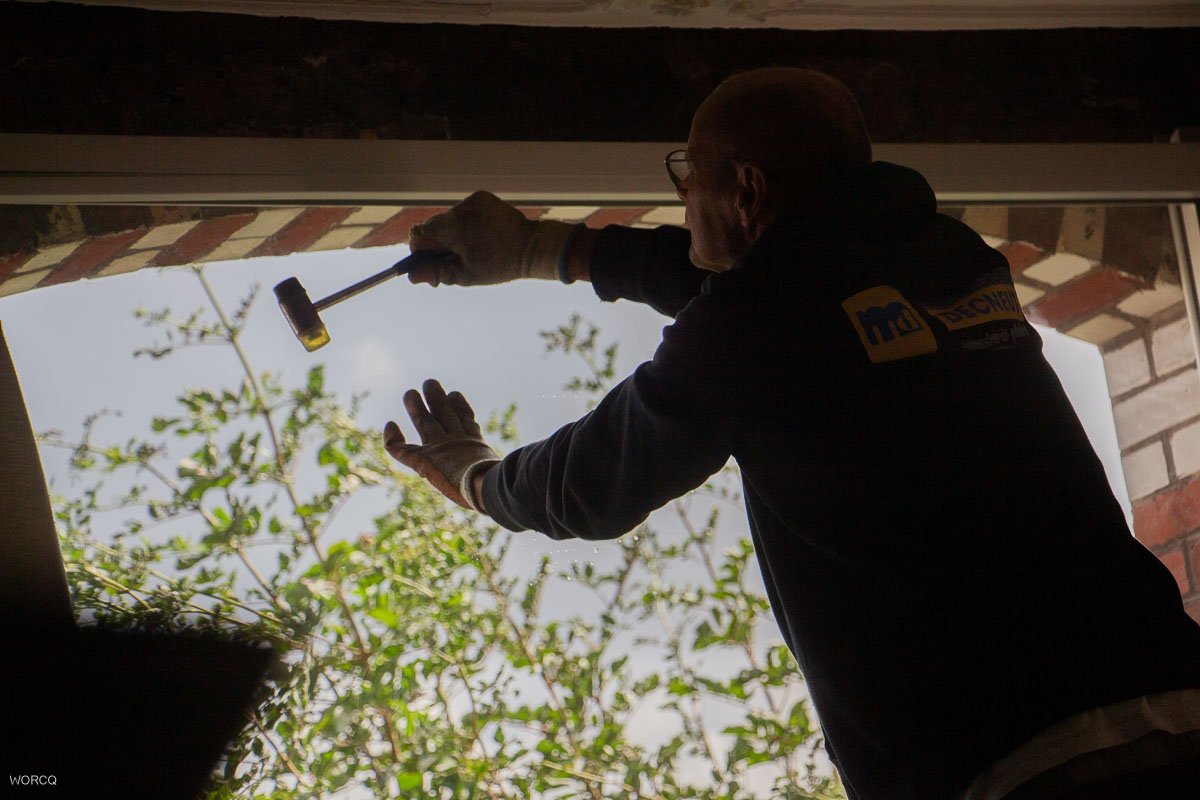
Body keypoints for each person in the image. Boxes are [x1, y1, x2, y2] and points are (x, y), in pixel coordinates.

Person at [382, 68, 1200, 799]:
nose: (682, 197)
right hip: (1176, 701)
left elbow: (586, 485)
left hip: (1014, 765)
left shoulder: (755, 326)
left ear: (745, 189)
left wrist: (475, 475)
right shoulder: (951, 256)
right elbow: (769, 287)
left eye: (688, 173)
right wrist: (542, 249)